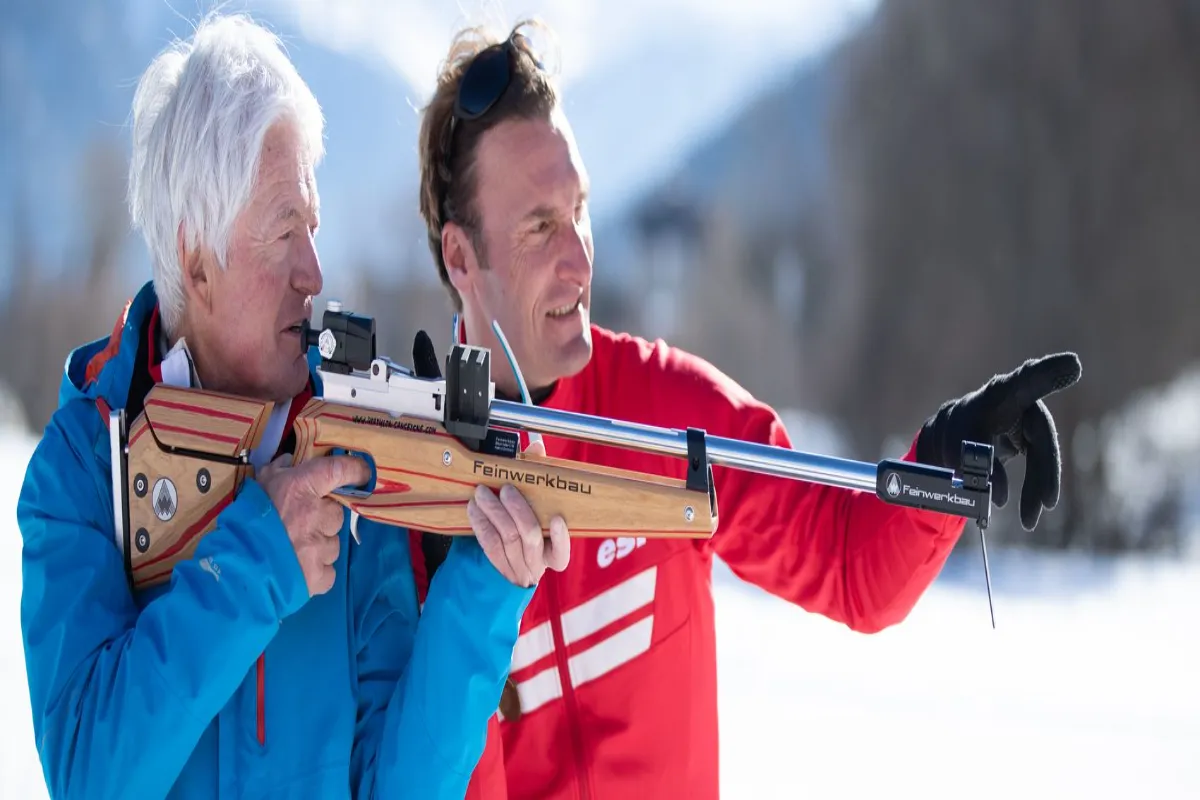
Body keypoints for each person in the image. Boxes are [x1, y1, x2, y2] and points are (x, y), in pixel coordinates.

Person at [412, 18, 1083, 800]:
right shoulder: (409, 483)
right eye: (539, 226)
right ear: (461, 256)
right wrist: (444, 568)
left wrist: (945, 451)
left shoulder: (664, 410)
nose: (582, 258)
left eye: (581, 211)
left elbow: (848, 562)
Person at [16, 13, 571, 799]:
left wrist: (483, 584)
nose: (315, 271)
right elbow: (87, 776)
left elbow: (398, 785)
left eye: (313, 227)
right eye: (285, 233)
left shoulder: (344, 445)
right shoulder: (85, 466)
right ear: (195, 256)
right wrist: (257, 564)